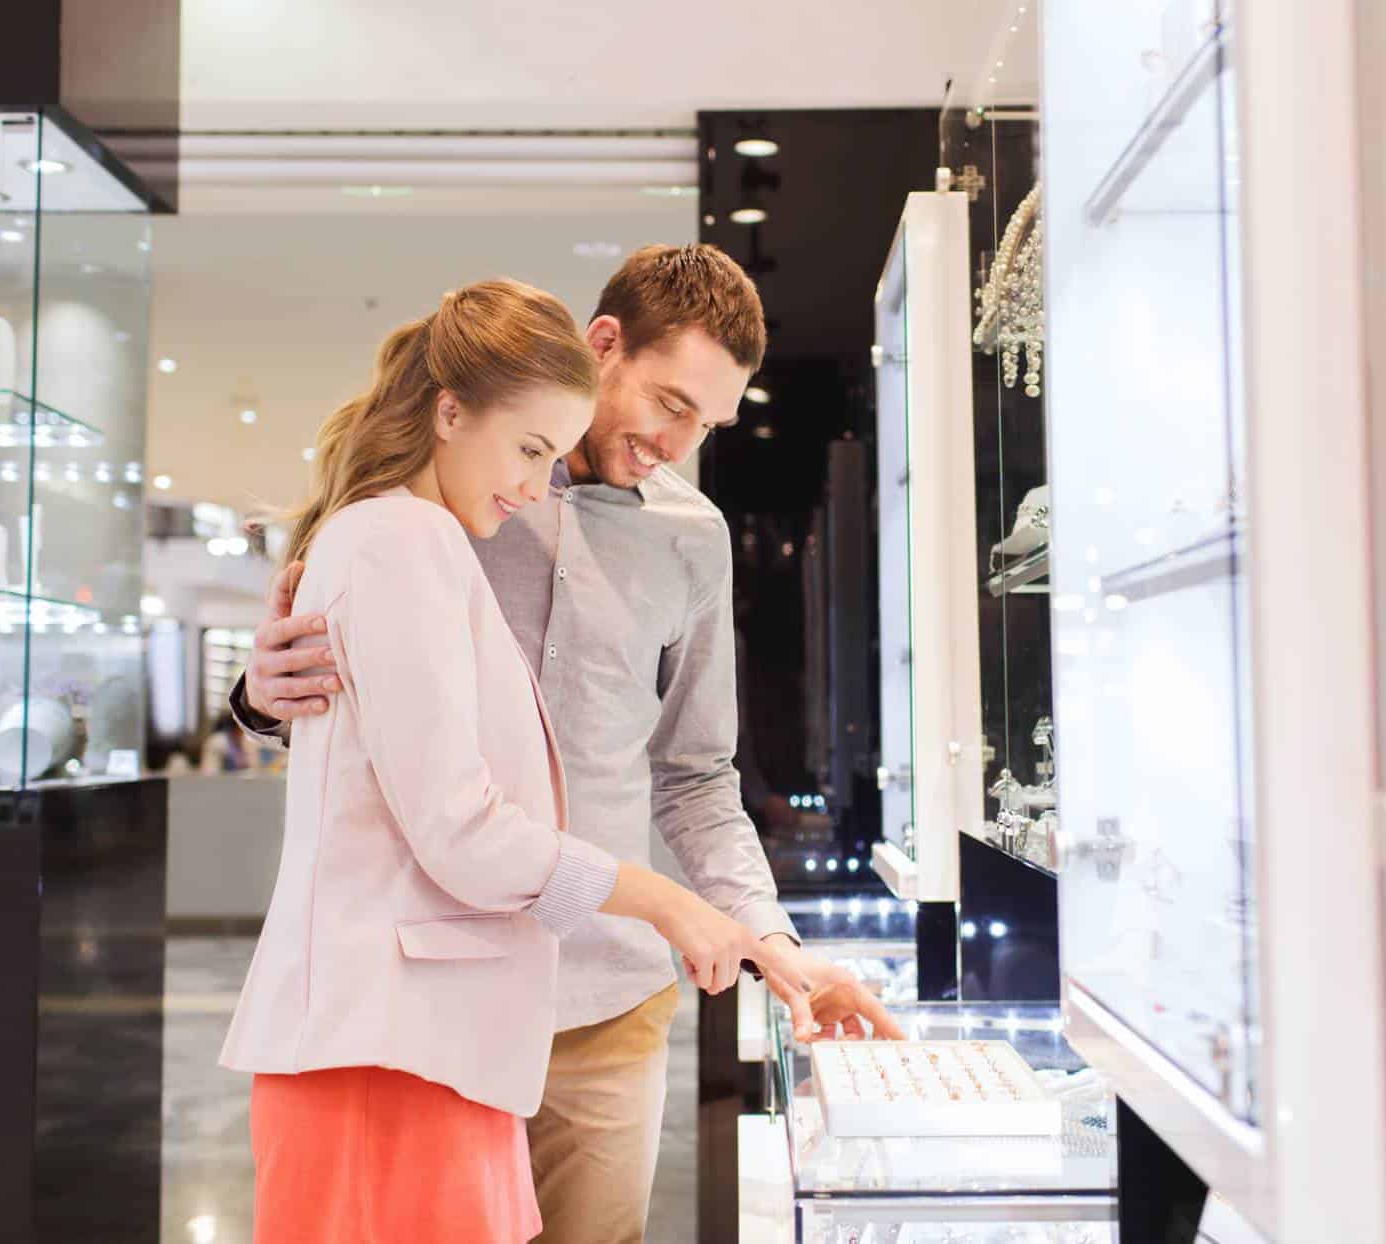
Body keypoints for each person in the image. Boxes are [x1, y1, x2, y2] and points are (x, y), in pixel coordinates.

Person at [232, 245, 900, 1243]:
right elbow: (347, 700)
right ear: (604, 343)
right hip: (432, 994)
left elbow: (697, 773)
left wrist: (771, 939)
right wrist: (256, 695)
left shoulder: (692, 536)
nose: (678, 440)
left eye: (707, 424)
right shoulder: (441, 497)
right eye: (671, 402)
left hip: (603, 992)